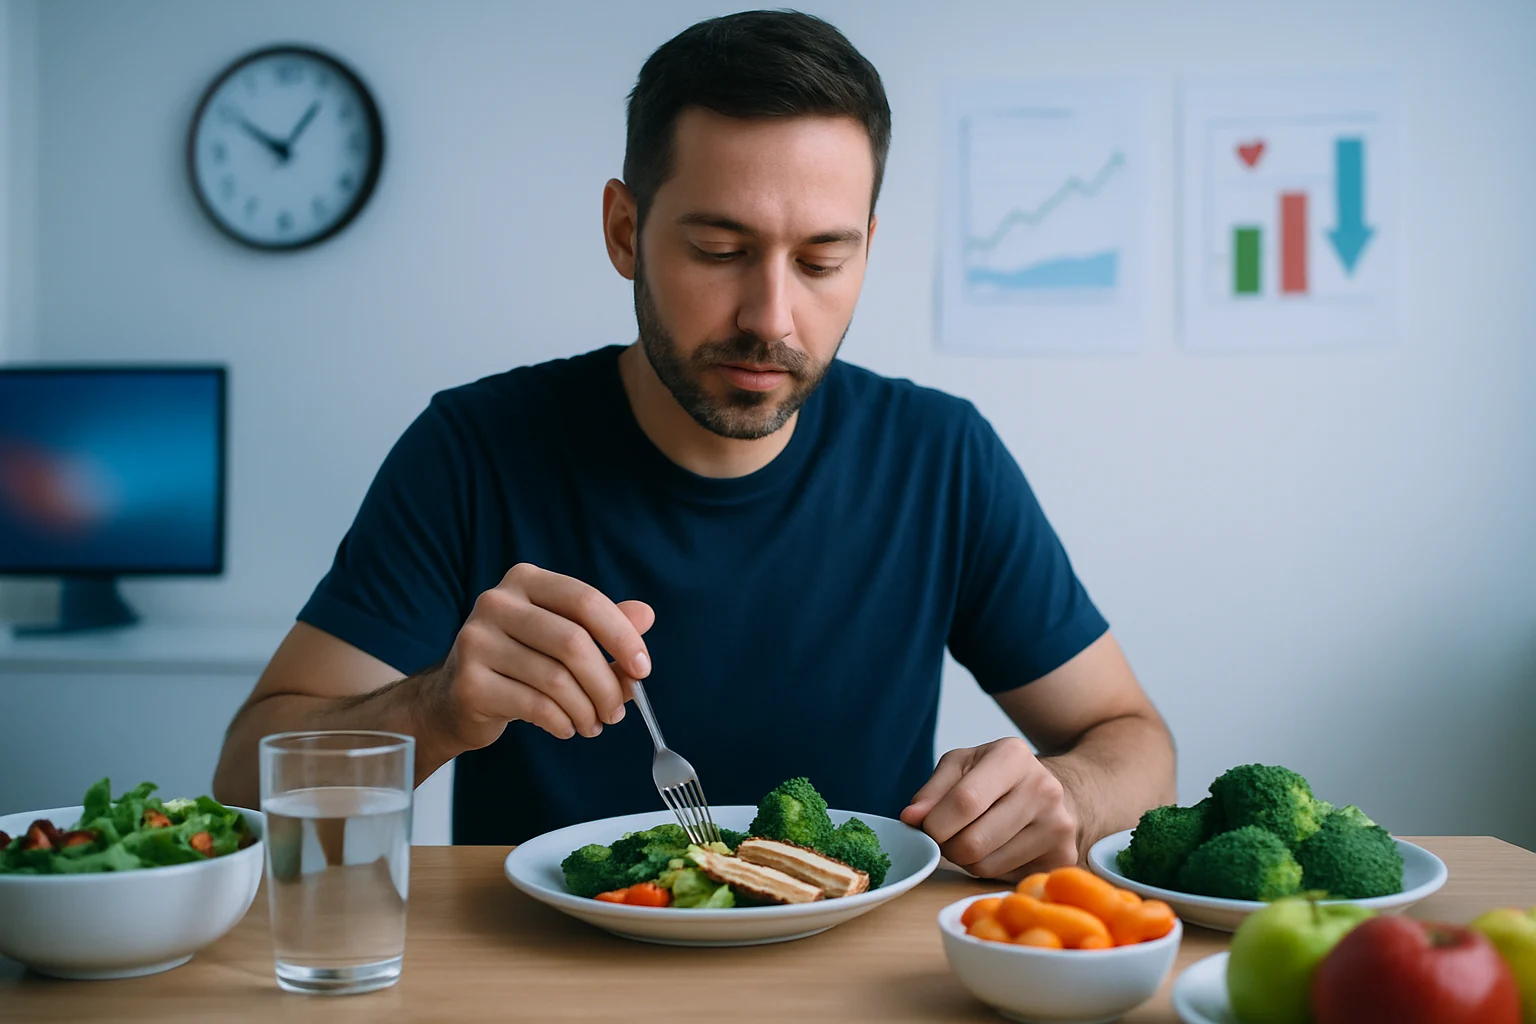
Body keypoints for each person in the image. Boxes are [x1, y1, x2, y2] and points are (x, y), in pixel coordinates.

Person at [213, 9, 1175, 881]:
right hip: (541, 981)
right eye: (719, 250)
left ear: (868, 249)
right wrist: (430, 711)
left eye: (821, 259)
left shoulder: (941, 455)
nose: (772, 315)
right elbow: (244, 783)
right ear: (625, 230)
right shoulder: (473, 449)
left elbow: (1132, 740)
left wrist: (1071, 796)